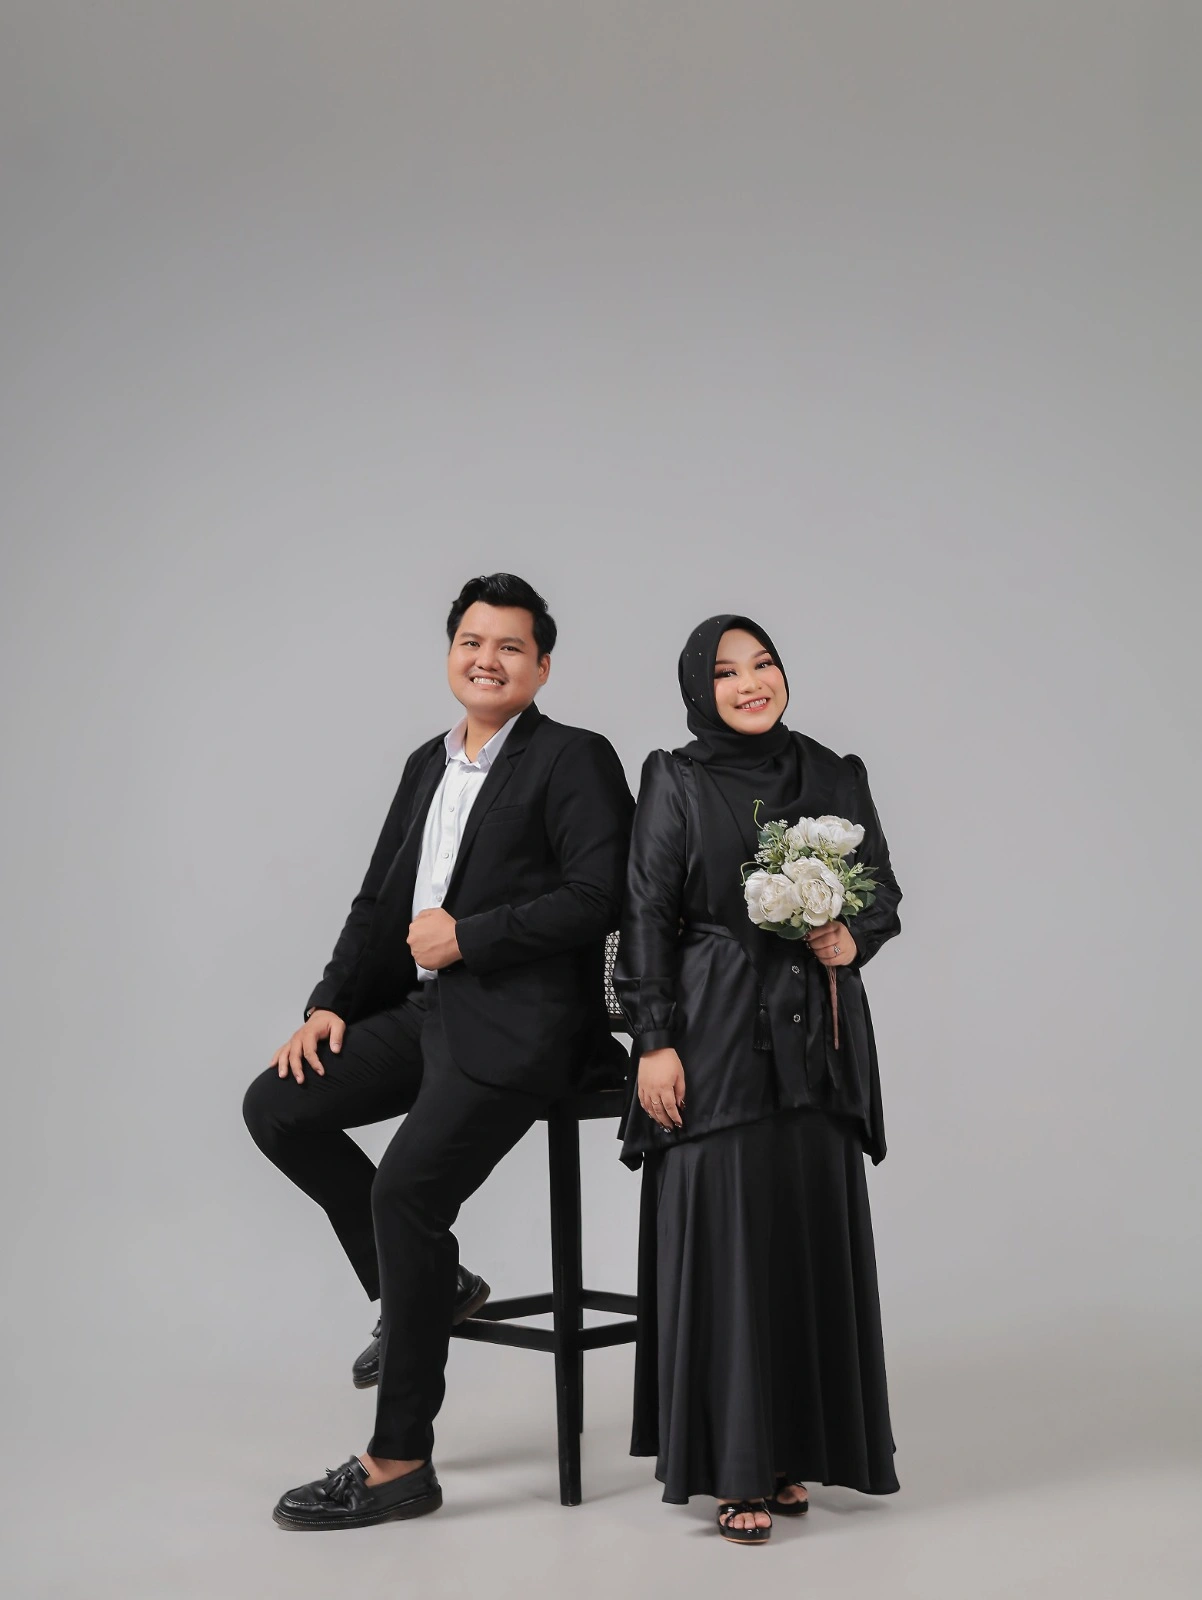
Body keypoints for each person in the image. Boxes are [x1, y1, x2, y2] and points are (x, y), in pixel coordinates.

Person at [243, 573, 634, 1530]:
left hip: (528, 1025)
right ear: (451, 652)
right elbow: (380, 900)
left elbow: (600, 895)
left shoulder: (574, 757)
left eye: (510, 647)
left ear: (543, 666)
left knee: (405, 1192)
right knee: (279, 1105)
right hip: (431, 1012)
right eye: (471, 642)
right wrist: (329, 1005)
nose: (487, 660)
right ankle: (429, 1287)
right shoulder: (428, 762)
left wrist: (470, 936)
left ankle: (399, 1462)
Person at [614, 613, 902, 1544]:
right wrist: (653, 1041)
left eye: (764, 664)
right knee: (728, 1245)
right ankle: (732, 1469)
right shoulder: (676, 778)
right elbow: (645, 911)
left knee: (802, 1240)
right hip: (714, 1033)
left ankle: (788, 1457)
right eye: (728, 671)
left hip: (818, 1040)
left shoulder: (834, 773)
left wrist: (852, 937)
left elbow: (884, 893)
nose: (751, 683)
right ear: (700, 688)